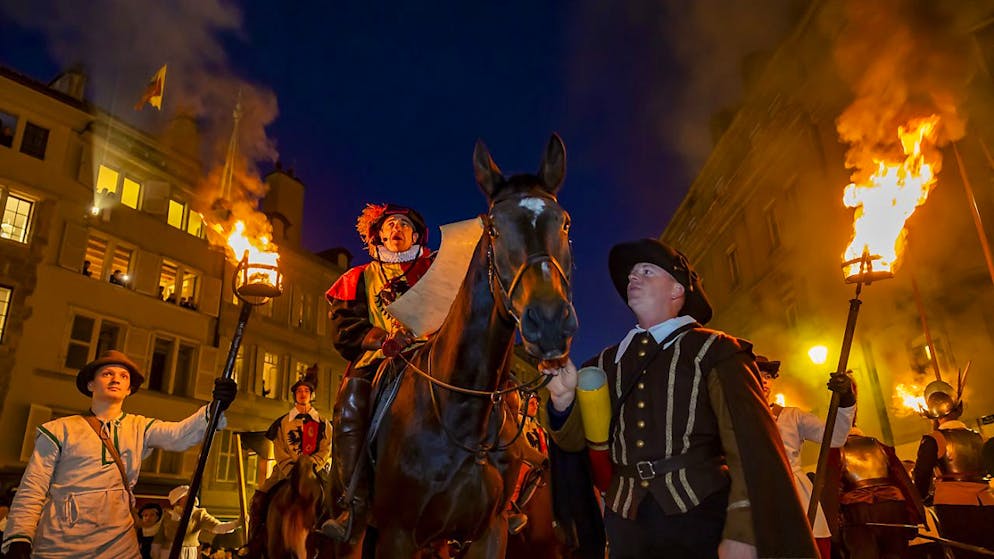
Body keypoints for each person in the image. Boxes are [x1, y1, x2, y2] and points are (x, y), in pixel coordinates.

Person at [543, 238, 818, 559]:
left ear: (677, 290)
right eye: (631, 274)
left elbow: (747, 446)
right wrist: (562, 401)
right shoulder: (603, 364)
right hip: (626, 524)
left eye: (647, 271)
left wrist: (743, 532)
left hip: (699, 516)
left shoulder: (715, 350)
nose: (633, 277)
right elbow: (579, 444)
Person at [0, 350, 237, 558]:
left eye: (123, 376)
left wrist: (215, 406)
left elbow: (179, 435)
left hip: (118, 541)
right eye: (107, 374)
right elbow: (33, 487)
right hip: (62, 540)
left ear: (129, 389)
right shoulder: (59, 430)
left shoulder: (140, 427)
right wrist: (19, 537)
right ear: (91, 385)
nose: (116, 379)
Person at [319, 203, 434, 541]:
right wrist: (384, 340)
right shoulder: (358, 277)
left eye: (404, 224)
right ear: (380, 235)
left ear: (416, 235)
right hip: (381, 358)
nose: (397, 229)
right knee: (351, 395)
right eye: (390, 224)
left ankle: (498, 497)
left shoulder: (436, 272)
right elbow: (344, 328)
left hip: (431, 355)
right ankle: (353, 501)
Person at [757, 356, 855, 558]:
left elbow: (835, 436)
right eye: (757, 375)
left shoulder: (793, 416)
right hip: (759, 501)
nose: (764, 381)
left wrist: (846, 399)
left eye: (768, 376)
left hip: (799, 498)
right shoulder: (732, 420)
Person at [244, 366, 330, 556]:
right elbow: (280, 448)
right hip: (285, 471)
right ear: (294, 395)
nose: (302, 394)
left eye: (306, 391)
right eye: (299, 391)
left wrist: (310, 467)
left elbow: (326, 448)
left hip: (316, 470)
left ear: (312, 395)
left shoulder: (323, 423)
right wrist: (292, 469)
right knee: (259, 499)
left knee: (338, 500)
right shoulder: (282, 423)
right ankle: (254, 542)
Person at [911, 379, 994, 559]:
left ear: (933, 415)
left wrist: (920, 498)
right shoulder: (980, 437)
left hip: (953, 507)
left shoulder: (933, 439)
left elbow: (922, 474)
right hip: (987, 504)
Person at [825, 427, 924, 559]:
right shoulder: (881, 447)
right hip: (892, 508)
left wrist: (833, 528)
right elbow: (902, 479)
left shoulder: (836, 451)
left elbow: (831, 489)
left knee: (865, 554)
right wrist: (914, 515)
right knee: (895, 554)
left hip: (859, 512)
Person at [153, 485, 239, 559]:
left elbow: (218, 527)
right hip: (168, 551)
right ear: (178, 500)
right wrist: (155, 553)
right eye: (185, 497)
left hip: (188, 552)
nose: (189, 498)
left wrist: (237, 523)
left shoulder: (198, 514)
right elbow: (159, 536)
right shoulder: (168, 515)